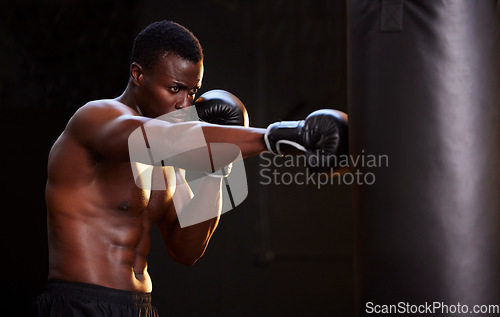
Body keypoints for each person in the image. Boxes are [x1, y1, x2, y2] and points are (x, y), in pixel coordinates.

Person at [33, 20, 347, 316]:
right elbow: (158, 139)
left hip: (139, 306)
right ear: (138, 74)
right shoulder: (97, 117)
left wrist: (218, 166)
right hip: (79, 305)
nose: (185, 104)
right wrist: (278, 136)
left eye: (192, 92)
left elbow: (187, 250)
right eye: (175, 89)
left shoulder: (172, 158)